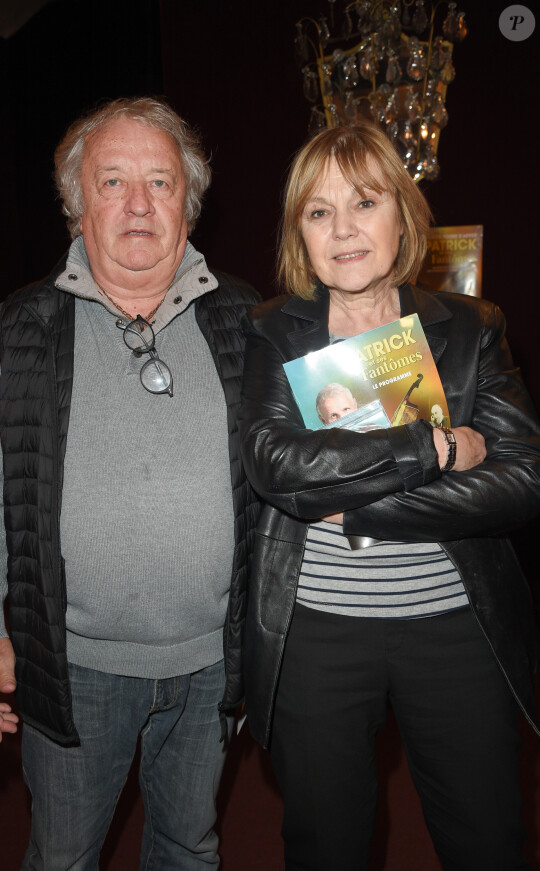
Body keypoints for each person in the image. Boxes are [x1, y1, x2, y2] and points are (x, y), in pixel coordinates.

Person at [0, 96, 260, 870]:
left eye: (159, 183)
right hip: (72, 666)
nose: (137, 203)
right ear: (76, 203)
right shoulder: (19, 328)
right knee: (61, 856)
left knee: (188, 847)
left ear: (187, 206)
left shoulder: (251, 321)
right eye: (112, 181)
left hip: (214, 665)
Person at [238, 123, 540, 871]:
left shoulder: (472, 329)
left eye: (364, 202)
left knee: (487, 840)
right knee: (325, 846)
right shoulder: (273, 331)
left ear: (401, 216)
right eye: (318, 211)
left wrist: (355, 505)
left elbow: (520, 482)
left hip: (455, 630)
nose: (342, 228)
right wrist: (430, 448)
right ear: (298, 234)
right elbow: (276, 464)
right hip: (317, 635)